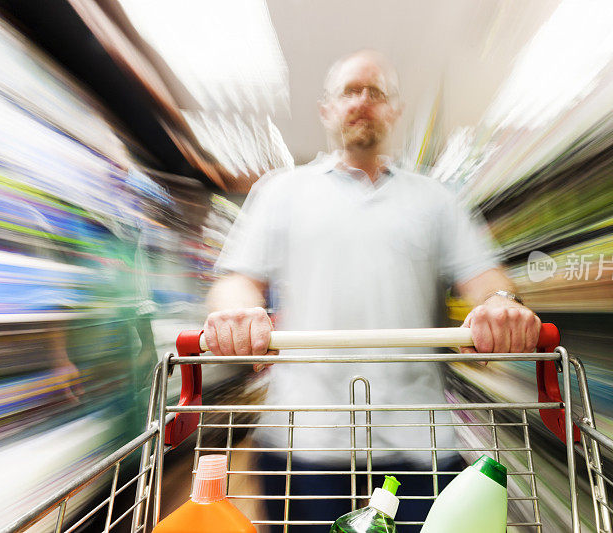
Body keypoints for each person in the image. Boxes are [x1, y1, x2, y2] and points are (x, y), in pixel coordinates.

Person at [204, 49, 541, 532]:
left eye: (376, 92)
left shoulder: (437, 201)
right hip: (306, 445)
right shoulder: (280, 192)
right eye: (349, 91)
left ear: (394, 112)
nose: (363, 101)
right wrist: (239, 314)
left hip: (420, 443)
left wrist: (502, 308)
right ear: (327, 109)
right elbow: (237, 281)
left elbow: (488, 280)